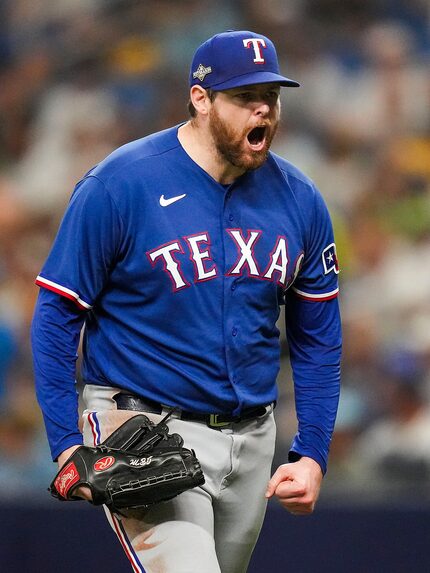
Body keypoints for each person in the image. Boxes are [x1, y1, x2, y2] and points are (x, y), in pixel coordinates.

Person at [31, 30, 342, 573]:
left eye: (271, 96)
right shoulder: (120, 184)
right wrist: (64, 443)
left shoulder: (300, 200)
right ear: (200, 99)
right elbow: (57, 315)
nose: (263, 109)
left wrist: (312, 450)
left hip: (252, 436)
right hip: (143, 429)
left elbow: (318, 337)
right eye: (246, 97)